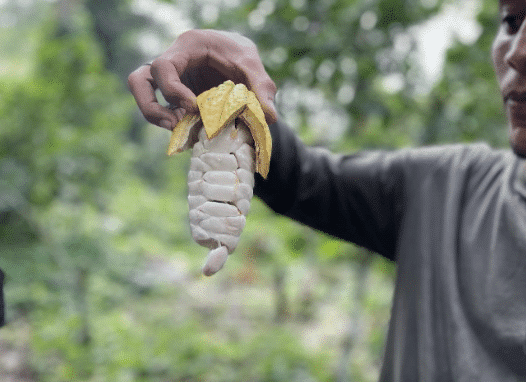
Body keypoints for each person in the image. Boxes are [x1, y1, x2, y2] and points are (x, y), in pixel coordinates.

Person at [127, 2, 526, 379]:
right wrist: (227, 88)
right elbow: (303, 179)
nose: (518, 53)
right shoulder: (446, 186)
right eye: (512, 22)